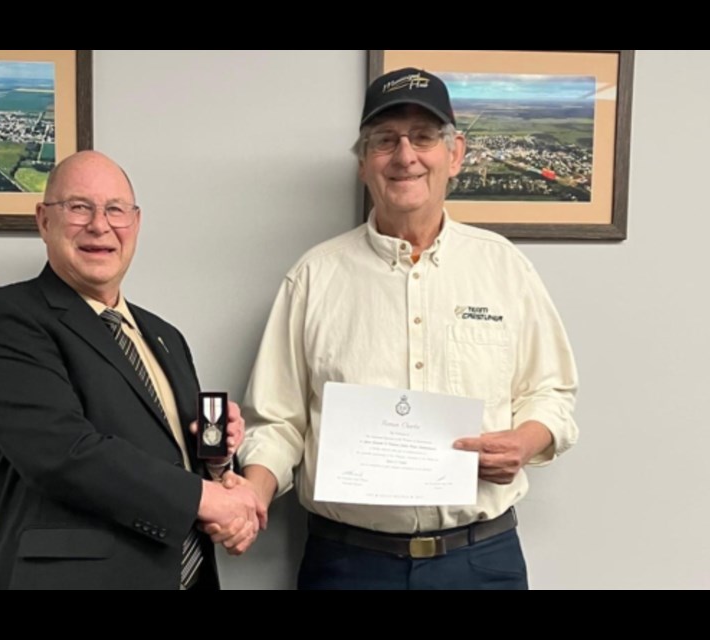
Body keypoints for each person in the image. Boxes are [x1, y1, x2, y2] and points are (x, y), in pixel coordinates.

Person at [236, 68, 579, 589]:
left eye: (424, 137)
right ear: (362, 163)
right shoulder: (314, 277)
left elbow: (552, 393)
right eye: (384, 140)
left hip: (481, 561)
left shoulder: (504, 268)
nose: (405, 156)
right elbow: (278, 422)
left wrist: (527, 440)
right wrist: (250, 496)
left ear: (455, 154)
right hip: (348, 564)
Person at [0, 151, 265, 590]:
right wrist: (209, 499)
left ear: (136, 224)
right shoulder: (5, 317)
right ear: (44, 221)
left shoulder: (165, 337)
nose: (100, 225)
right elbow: (63, 453)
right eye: (79, 207)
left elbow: (172, 465)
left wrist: (218, 464)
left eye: (116, 210)